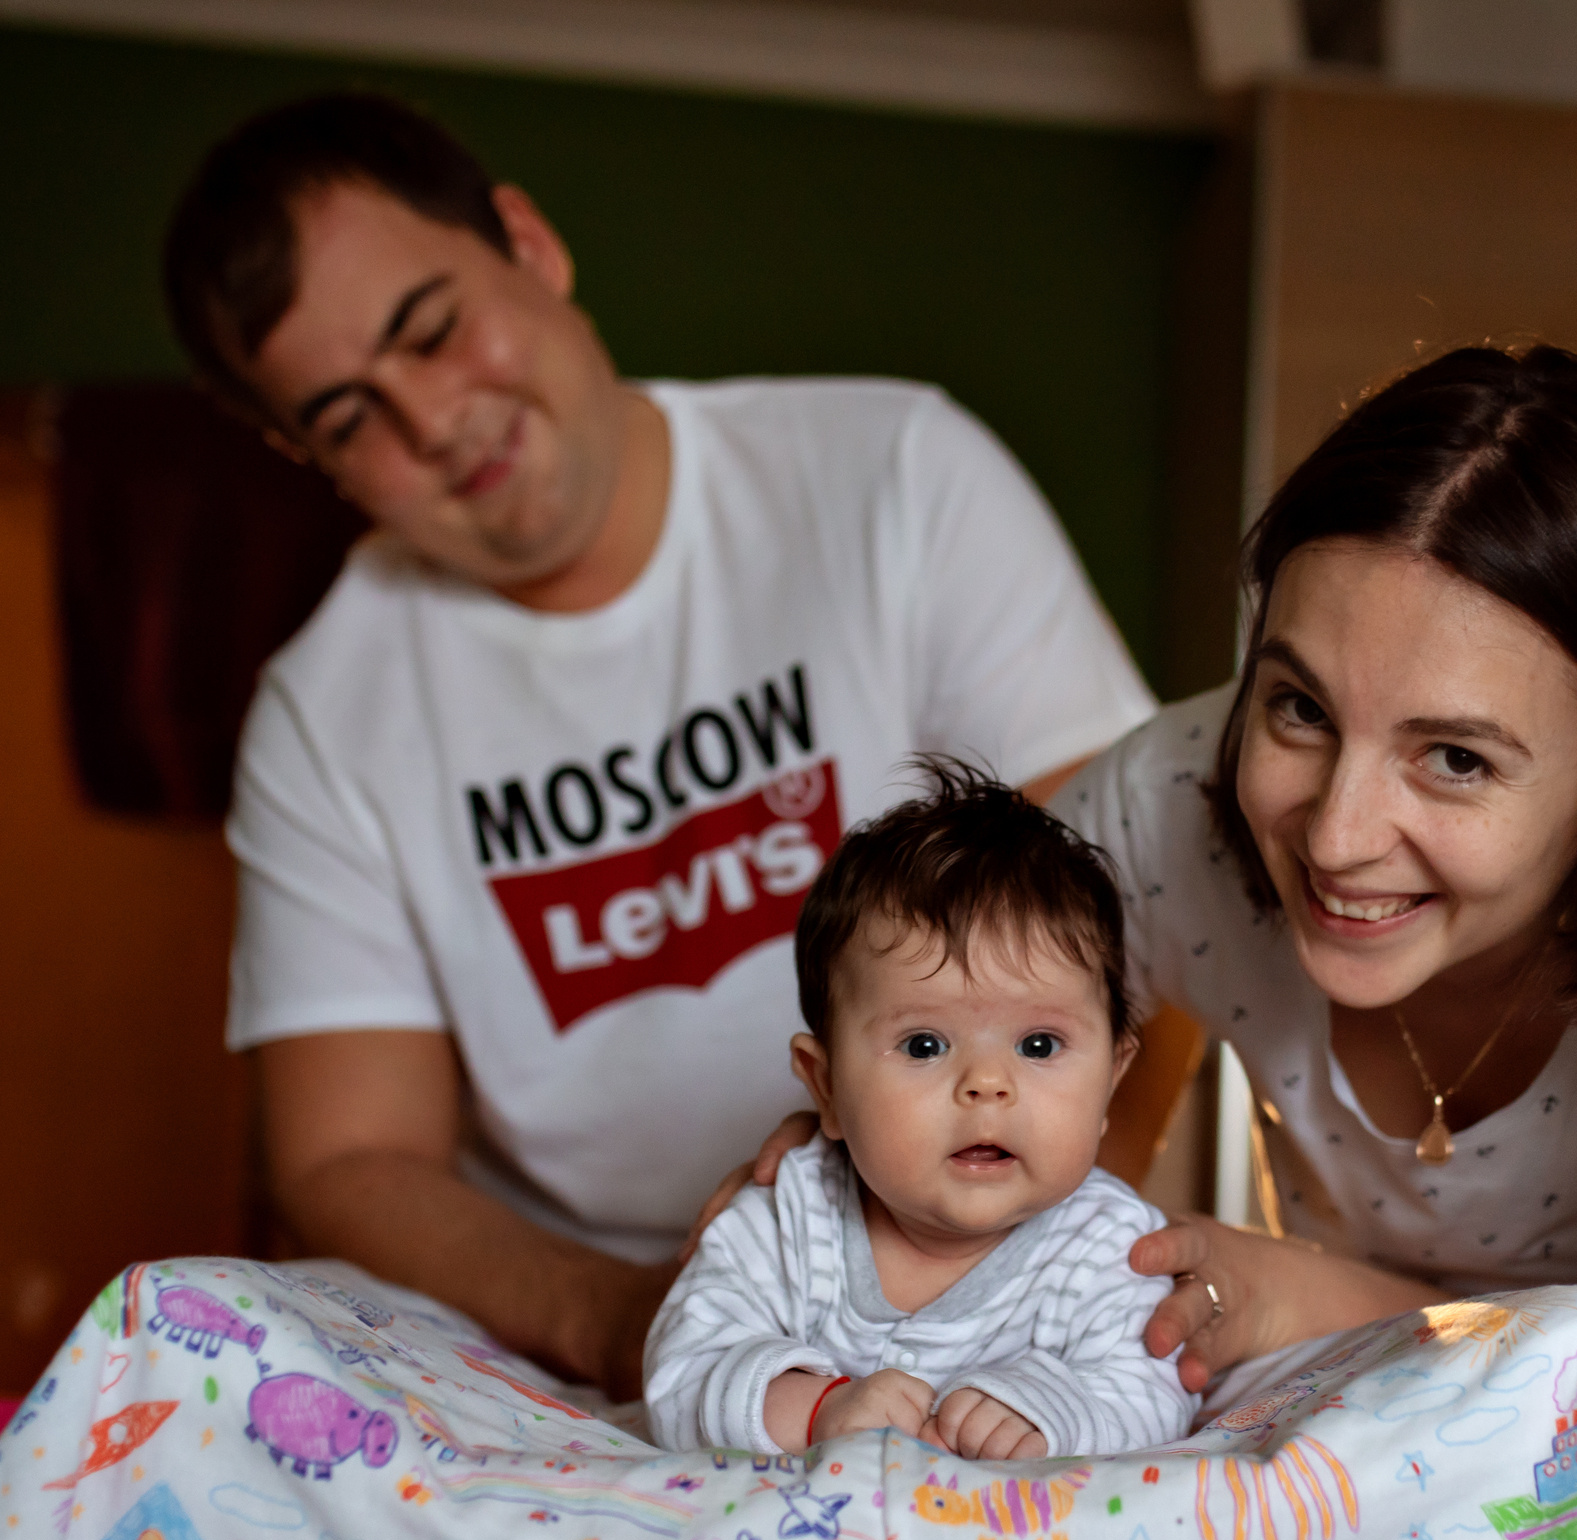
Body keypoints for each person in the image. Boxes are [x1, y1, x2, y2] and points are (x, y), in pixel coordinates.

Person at [163, 93, 1154, 1401]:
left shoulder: (896, 475)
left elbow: (1135, 929)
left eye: (435, 329)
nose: (434, 421)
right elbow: (349, 1155)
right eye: (349, 416)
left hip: (1011, 1305)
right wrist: (639, 1315)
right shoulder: (322, 708)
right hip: (594, 1347)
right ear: (308, 454)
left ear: (527, 242)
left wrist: (1024, 1271)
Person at [1067, 343, 1577, 1433]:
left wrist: (1306, 1298)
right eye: (1299, 708)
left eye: (1454, 758)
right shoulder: (1167, 797)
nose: (1337, 837)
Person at [646, 762, 1190, 1460]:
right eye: (925, 1043)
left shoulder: (1108, 1247)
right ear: (827, 1088)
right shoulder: (790, 1217)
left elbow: (1154, 1393)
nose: (988, 1083)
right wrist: (816, 1409)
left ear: (1112, 1079)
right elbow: (681, 1372)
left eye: (1039, 1043)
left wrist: (1048, 1412)